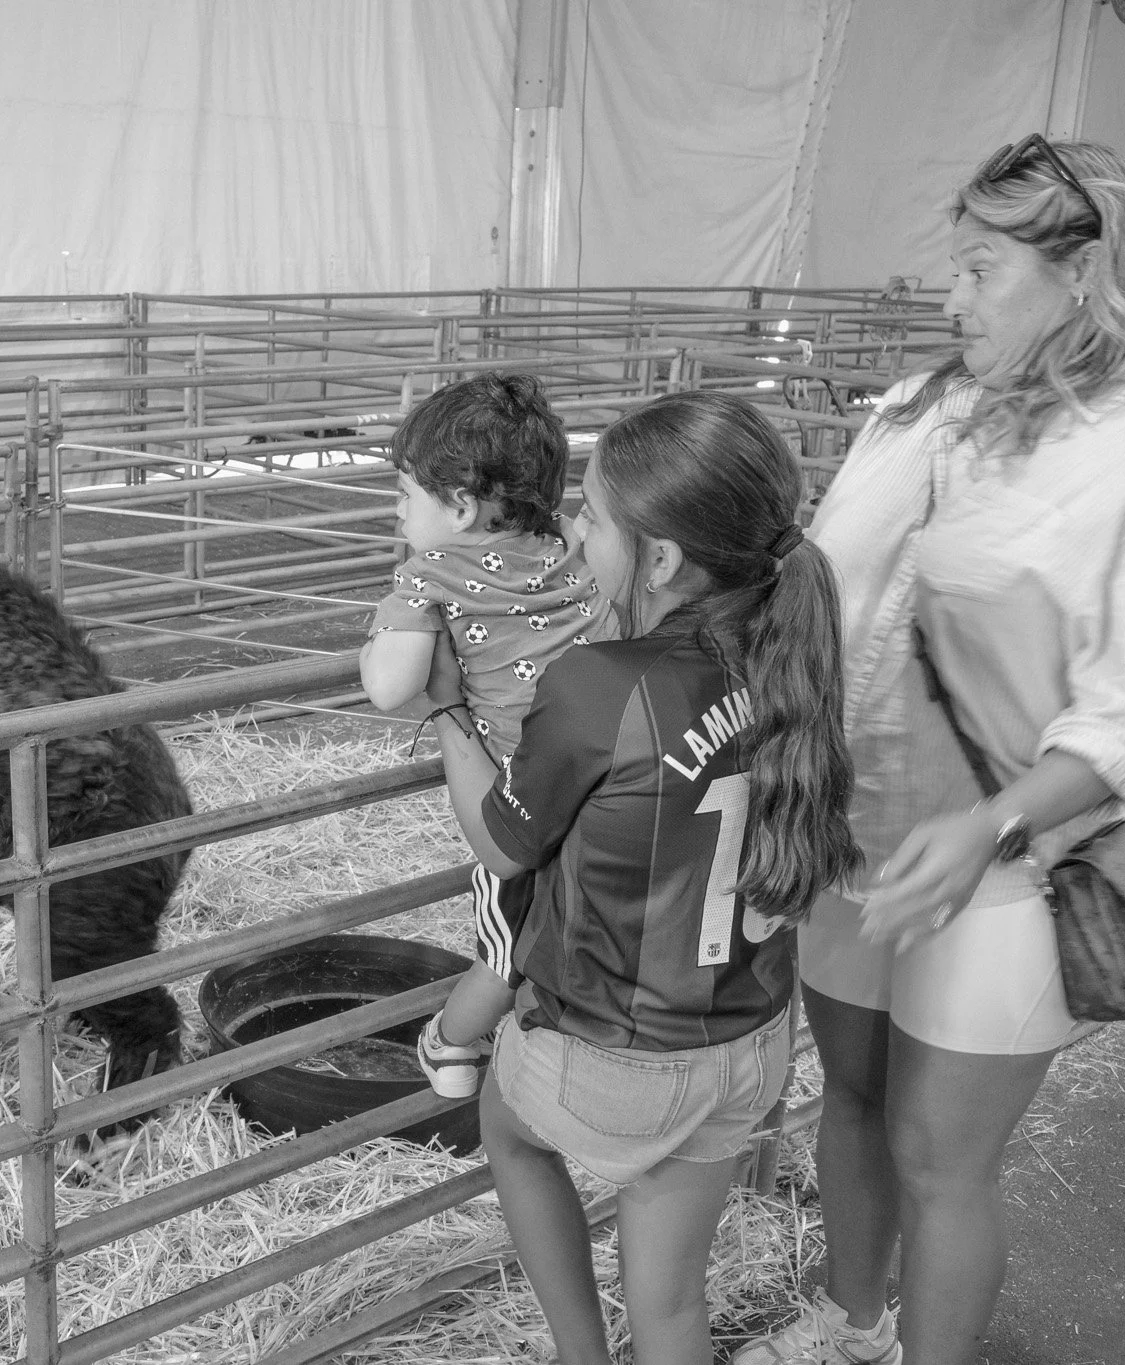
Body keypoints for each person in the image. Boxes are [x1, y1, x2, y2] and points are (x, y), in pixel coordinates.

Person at [735, 140, 1125, 1365]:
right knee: (848, 1104)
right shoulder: (915, 412)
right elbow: (822, 591)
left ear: (1083, 276)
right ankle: (848, 1326)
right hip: (848, 842)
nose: (949, 299)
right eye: (952, 267)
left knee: (941, 1158)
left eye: (978, 269)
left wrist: (987, 826)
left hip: (1001, 870)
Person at [422, 390, 863, 1365]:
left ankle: (581, 1353)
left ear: (657, 558)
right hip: (747, 1050)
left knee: (507, 1122)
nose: (573, 532)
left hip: (621, 1063)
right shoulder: (791, 659)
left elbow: (502, 845)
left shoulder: (599, 685)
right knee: (668, 1307)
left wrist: (453, 715)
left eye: (589, 515)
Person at [356, 371, 606, 1096]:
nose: (398, 512)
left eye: (406, 494)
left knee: (505, 941)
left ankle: (452, 1047)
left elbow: (389, 686)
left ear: (461, 506)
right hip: (604, 770)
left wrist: (381, 636)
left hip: (522, 795)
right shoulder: (572, 542)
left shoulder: (428, 572)